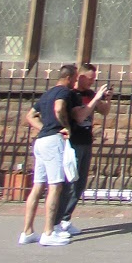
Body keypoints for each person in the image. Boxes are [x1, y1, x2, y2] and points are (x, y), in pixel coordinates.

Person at [19, 63, 76, 246]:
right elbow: (59, 108)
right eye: (74, 78)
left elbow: (30, 116)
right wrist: (65, 126)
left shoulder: (47, 94)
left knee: (37, 186)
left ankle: (27, 232)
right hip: (53, 142)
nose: (74, 82)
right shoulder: (63, 92)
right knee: (55, 186)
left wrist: (44, 128)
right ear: (68, 78)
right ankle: (48, 232)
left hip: (41, 141)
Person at [55, 62, 110, 236]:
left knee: (80, 184)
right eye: (91, 79)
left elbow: (104, 111)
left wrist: (106, 98)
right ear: (81, 77)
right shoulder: (71, 94)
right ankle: (58, 221)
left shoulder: (90, 94)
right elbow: (79, 116)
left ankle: (66, 219)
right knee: (69, 182)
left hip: (86, 141)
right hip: (73, 141)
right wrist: (96, 99)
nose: (93, 83)